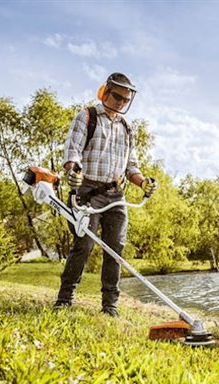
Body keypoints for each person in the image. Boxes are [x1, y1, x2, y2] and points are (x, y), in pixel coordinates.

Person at [54, 72, 157, 317]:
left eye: (125, 99)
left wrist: (143, 182)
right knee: (84, 246)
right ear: (105, 92)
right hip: (88, 191)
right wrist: (73, 172)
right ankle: (64, 299)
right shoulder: (87, 117)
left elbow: (131, 166)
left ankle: (110, 306)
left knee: (115, 249)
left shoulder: (127, 128)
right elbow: (72, 153)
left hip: (116, 194)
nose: (121, 102)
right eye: (117, 97)